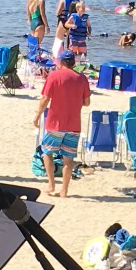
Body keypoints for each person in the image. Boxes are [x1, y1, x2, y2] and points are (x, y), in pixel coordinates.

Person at [36, 47, 93, 198]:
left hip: (55, 123)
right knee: (69, 159)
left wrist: (37, 116)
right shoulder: (82, 78)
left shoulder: (54, 76)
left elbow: (45, 99)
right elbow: (87, 102)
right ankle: (64, 191)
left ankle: (51, 184)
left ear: (61, 62)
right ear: (74, 62)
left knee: (47, 152)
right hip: (74, 124)